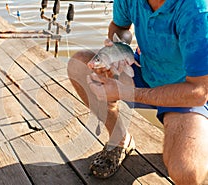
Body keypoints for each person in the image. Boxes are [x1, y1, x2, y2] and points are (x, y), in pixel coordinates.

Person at [67, 0, 208, 184]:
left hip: (186, 89)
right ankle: (120, 140)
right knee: (79, 65)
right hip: (144, 67)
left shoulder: (196, 10)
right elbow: (119, 27)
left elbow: (199, 91)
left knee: (186, 171)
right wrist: (116, 52)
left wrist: (125, 92)